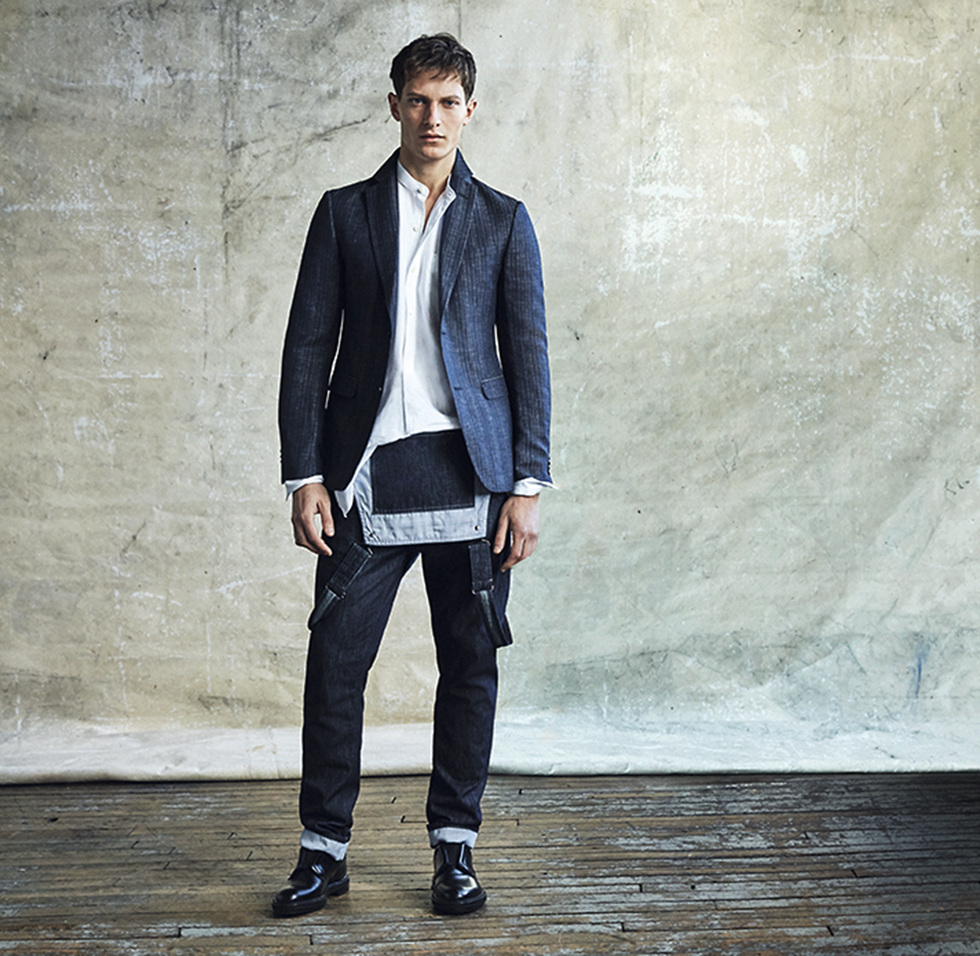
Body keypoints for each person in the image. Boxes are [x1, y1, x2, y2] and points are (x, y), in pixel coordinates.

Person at [272, 33, 552, 918]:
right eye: (419, 100)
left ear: (471, 111)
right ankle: (323, 852)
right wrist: (304, 475)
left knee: (469, 666)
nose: (434, 118)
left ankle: (454, 850)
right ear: (394, 106)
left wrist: (528, 487)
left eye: (449, 102)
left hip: (475, 480)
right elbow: (307, 349)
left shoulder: (504, 220)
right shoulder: (343, 214)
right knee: (334, 665)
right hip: (363, 479)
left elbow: (529, 359)